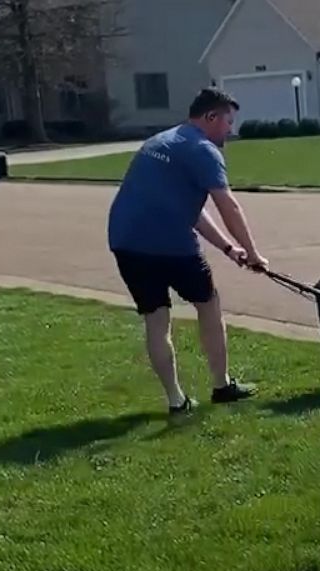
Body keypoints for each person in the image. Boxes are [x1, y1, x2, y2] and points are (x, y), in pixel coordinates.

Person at [106, 87, 270, 413]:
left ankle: (176, 401)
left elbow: (188, 208)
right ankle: (222, 385)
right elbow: (228, 206)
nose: (230, 130)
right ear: (210, 117)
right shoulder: (203, 150)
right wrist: (253, 253)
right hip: (170, 245)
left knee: (156, 319)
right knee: (208, 305)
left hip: (125, 241)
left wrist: (227, 247)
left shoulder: (159, 142)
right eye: (227, 121)